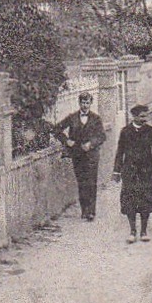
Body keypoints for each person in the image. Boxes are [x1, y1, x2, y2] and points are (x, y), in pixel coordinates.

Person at [112, 104, 152, 243]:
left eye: (146, 116)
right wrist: (116, 171)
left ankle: (144, 230)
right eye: (142, 116)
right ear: (134, 116)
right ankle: (133, 231)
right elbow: (119, 152)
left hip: (147, 171)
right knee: (130, 199)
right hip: (130, 171)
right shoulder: (125, 131)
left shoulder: (150, 131)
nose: (145, 119)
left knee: (146, 198)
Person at [53, 92, 107, 221]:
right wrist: (66, 141)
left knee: (91, 182)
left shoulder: (96, 118)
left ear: (90, 103)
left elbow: (102, 136)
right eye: (83, 102)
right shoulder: (72, 117)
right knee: (82, 181)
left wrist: (91, 144)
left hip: (92, 155)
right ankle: (84, 210)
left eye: (87, 102)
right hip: (77, 154)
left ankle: (91, 211)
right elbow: (56, 129)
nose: (85, 105)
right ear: (79, 103)